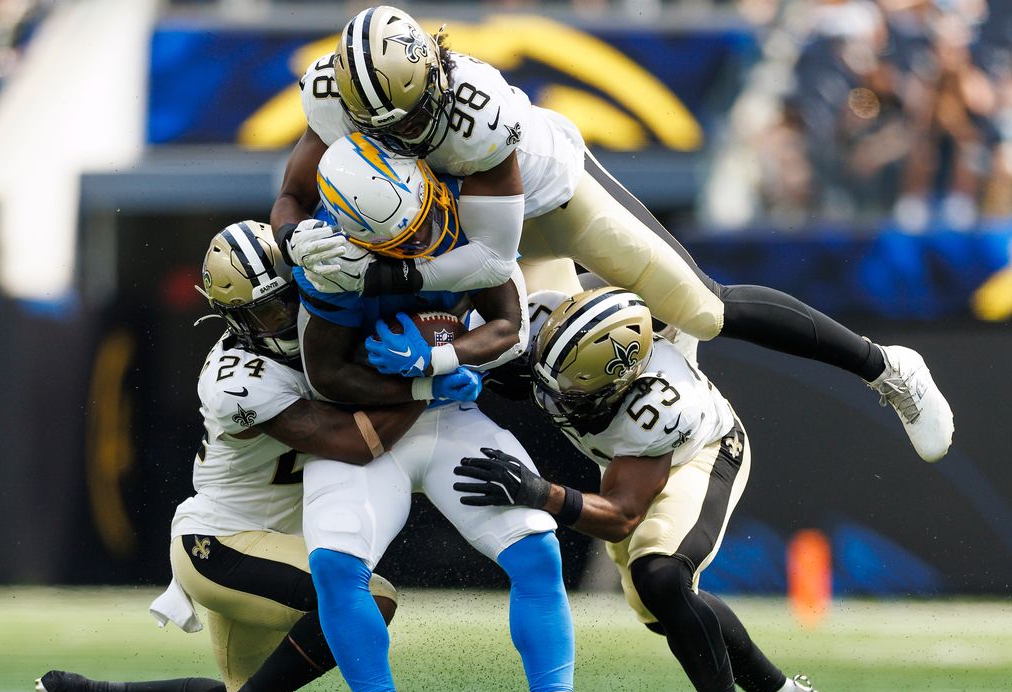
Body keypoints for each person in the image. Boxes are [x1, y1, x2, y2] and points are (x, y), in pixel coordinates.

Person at [271, 4, 954, 464]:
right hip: (448, 233)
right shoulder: (331, 100)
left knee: (704, 309)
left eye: (419, 111)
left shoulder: (475, 116)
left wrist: (376, 276)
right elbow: (293, 197)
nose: (411, 134)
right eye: (389, 126)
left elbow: (489, 258)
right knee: (530, 367)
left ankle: (887, 367)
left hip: (546, 204)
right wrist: (297, 237)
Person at [284, 133, 642, 692]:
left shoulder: (459, 214)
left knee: (536, 547)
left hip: (449, 413)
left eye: (423, 223)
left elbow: (505, 322)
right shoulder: (330, 255)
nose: (422, 243)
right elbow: (328, 374)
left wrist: (445, 359)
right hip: (363, 423)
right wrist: (419, 380)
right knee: (337, 567)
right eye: (402, 238)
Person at [35, 220, 426, 692]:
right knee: (370, 599)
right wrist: (429, 378)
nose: (288, 319)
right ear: (236, 317)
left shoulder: (326, 323)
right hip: (219, 547)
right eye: (268, 312)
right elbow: (350, 444)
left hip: (264, 544)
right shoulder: (236, 379)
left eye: (291, 300)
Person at [452, 286, 841, 692]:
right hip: (624, 462)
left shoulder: (658, 406)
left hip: (699, 453)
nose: (554, 396)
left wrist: (540, 492)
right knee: (663, 612)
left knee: (661, 577)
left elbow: (620, 513)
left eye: (570, 388)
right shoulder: (541, 316)